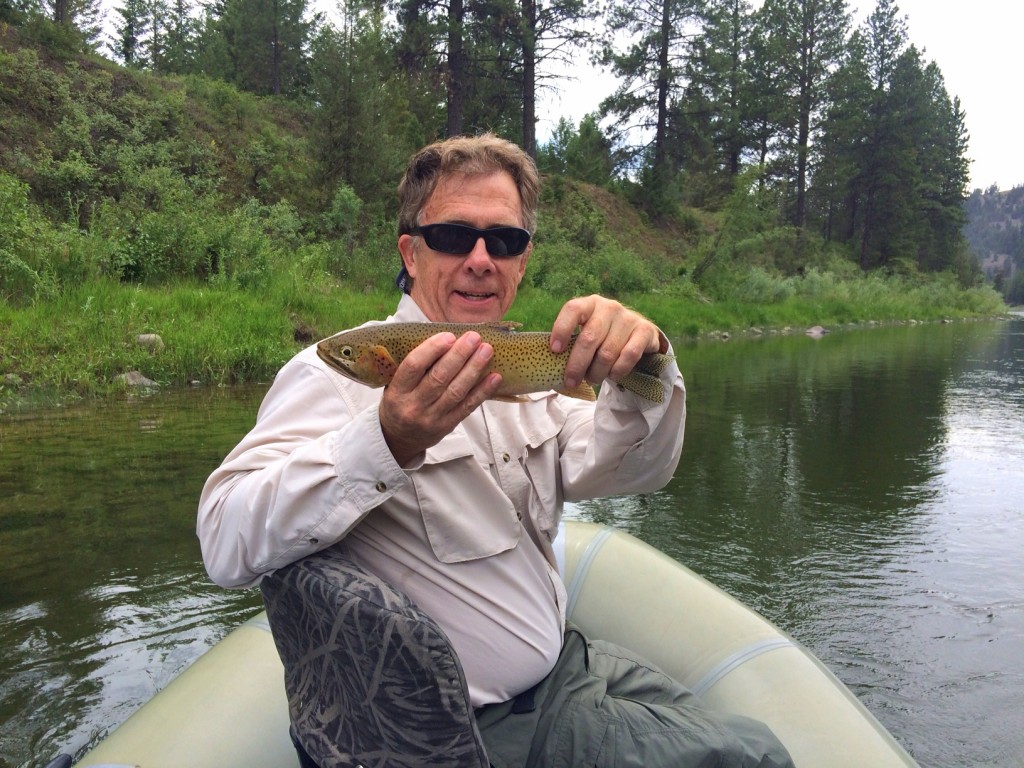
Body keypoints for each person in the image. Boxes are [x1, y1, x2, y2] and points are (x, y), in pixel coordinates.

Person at [197, 133, 793, 767]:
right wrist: (387, 441)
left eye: (503, 241)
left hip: (565, 668)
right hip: (474, 732)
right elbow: (223, 539)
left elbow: (634, 471)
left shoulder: (529, 375)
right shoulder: (331, 379)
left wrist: (647, 365)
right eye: (455, 236)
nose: (481, 258)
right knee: (758, 756)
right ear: (411, 252)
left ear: (522, 262)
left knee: (719, 726)